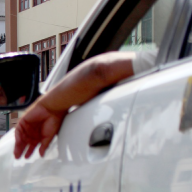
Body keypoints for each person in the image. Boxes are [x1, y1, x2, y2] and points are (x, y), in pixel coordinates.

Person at [14, 51, 154, 159]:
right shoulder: (168, 61)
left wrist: (49, 106)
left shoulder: (168, 58)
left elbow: (99, 71)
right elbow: (99, 71)